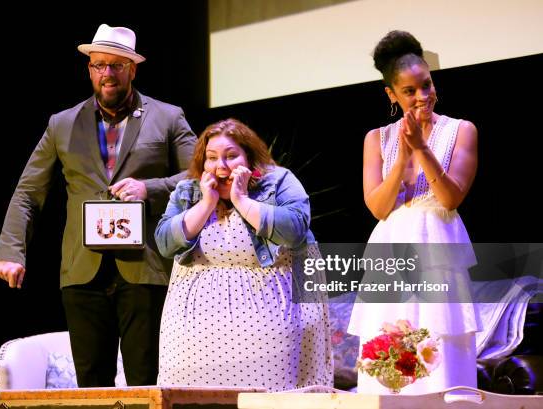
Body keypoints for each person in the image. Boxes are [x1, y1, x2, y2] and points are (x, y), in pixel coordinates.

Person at [0, 23, 197, 387]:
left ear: (132, 69)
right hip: (82, 271)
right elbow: (28, 192)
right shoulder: (62, 124)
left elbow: (198, 177)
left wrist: (148, 187)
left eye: (116, 66)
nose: (107, 74)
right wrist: (11, 250)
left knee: (145, 381)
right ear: (89, 68)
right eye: (99, 65)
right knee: (91, 383)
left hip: (144, 269)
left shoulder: (167, 117)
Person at [154, 118, 333, 391]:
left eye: (231, 156)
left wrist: (242, 200)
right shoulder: (189, 191)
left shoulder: (278, 181)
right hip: (194, 337)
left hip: (269, 329)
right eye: (211, 158)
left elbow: (295, 229)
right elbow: (165, 243)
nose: (221, 166)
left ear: (248, 157)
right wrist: (206, 204)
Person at [348, 30, 481, 394]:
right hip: (392, 249)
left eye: (427, 85)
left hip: (438, 246)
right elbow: (378, 206)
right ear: (391, 94)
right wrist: (403, 156)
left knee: (440, 349)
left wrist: (422, 149)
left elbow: (451, 197)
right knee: (389, 360)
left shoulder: (461, 131)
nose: (422, 96)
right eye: (409, 91)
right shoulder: (376, 139)